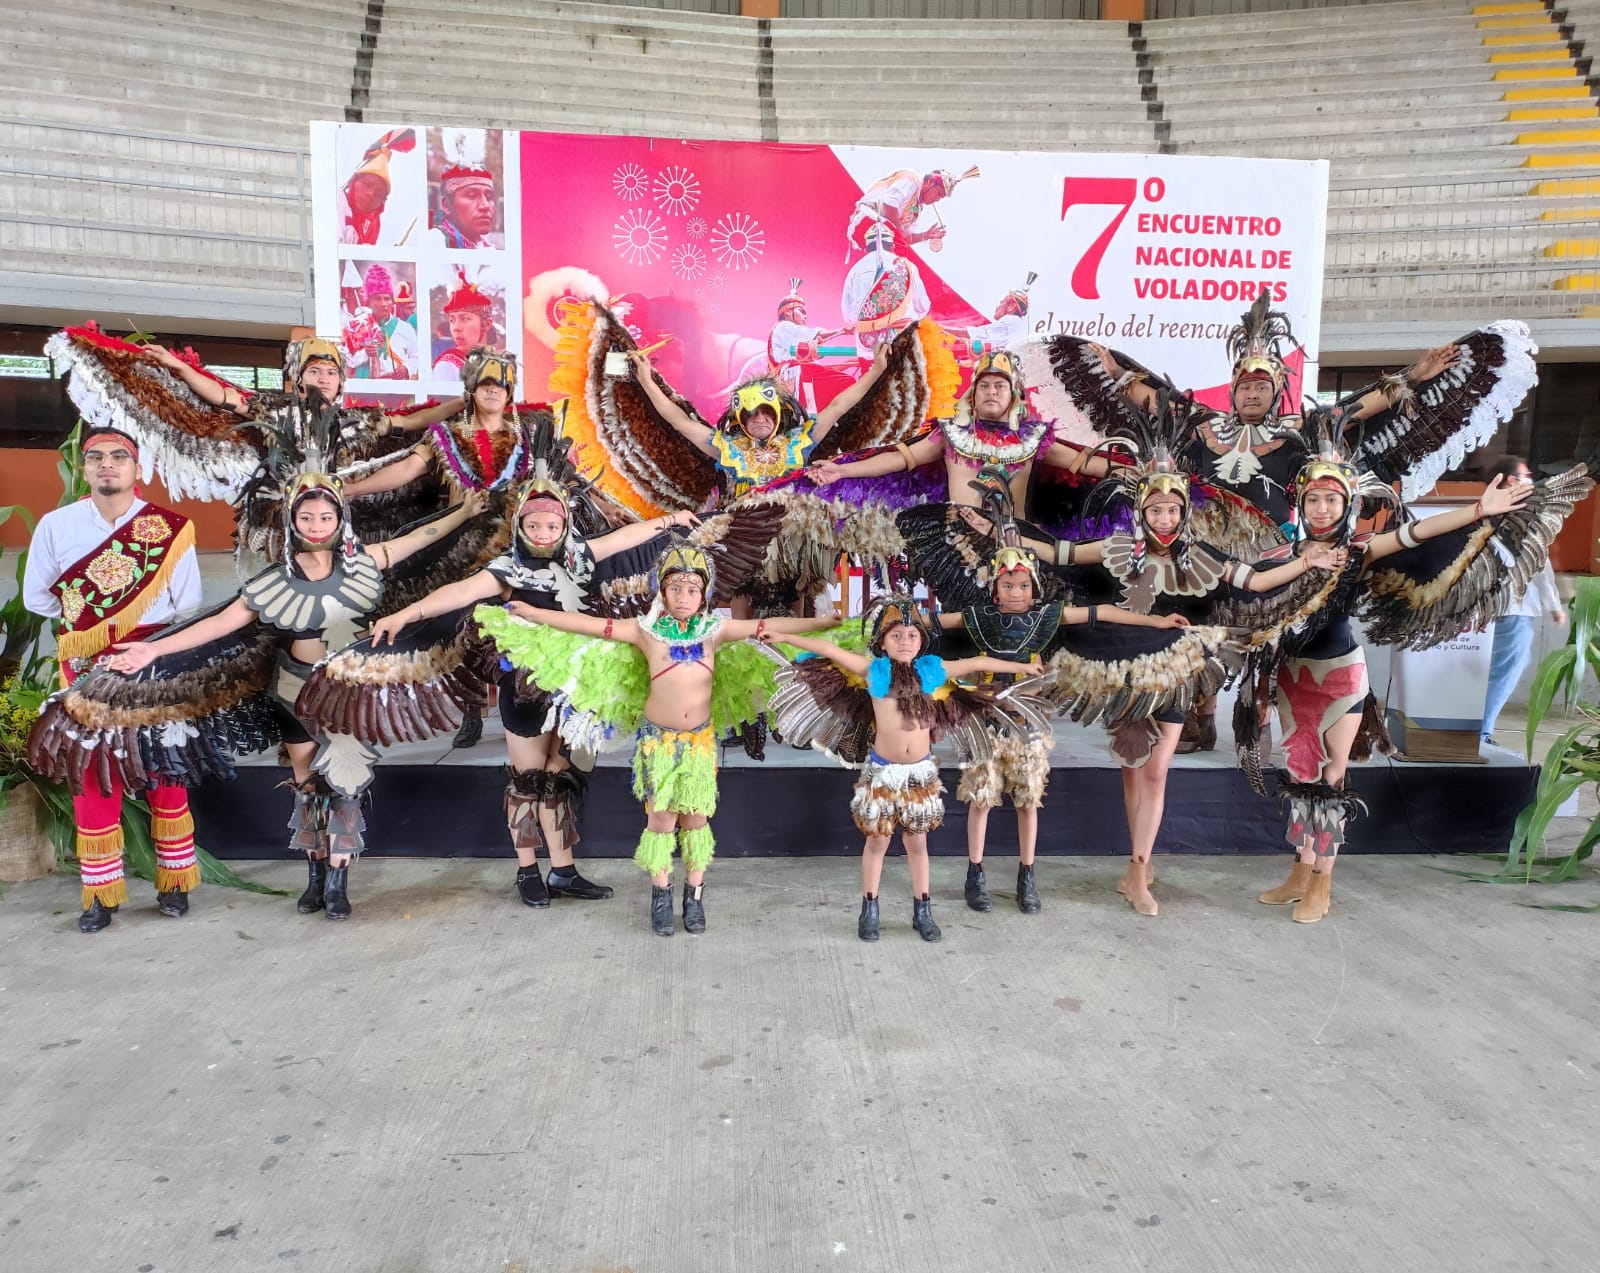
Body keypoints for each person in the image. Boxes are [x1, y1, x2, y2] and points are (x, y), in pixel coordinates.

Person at [97, 429, 485, 922]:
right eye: (307, 516)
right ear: (293, 520)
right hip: (293, 691)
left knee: (345, 781)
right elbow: (217, 624)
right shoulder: (272, 580)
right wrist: (149, 653)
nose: (318, 524)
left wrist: (464, 514)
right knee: (307, 785)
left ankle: (340, 881)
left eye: (326, 516)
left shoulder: (368, 560)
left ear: (339, 519)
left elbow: (420, 537)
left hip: (350, 692)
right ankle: (316, 876)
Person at [1241, 421, 1589, 922]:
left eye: (1332, 500)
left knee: (1331, 779)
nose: (1322, 509)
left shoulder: (1358, 552)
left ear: (1347, 506)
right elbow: (1246, 590)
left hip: (1340, 679)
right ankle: (1299, 870)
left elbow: (1415, 533)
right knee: (1299, 777)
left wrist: (1477, 511)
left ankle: (1323, 882)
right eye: (1314, 499)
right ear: (1301, 502)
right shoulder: (1281, 555)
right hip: (1293, 681)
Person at [475, 544, 840, 936]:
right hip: (658, 745)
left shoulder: (716, 631)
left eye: (693, 589)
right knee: (662, 821)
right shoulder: (644, 631)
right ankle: (661, 896)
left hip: (699, 744)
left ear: (705, 595)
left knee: (697, 822)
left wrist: (821, 624)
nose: (684, 597)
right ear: (661, 592)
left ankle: (694, 898)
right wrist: (532, 614)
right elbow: (586, 625)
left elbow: (771, 627)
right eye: (676, 588)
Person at [366, 480, 699, 908]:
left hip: (576, 688)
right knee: (528, 783)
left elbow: (624, 537)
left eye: (552, 526)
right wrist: (406, 613)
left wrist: (673, 520)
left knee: (559, 781)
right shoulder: (506, 570)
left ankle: (563, 871)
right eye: (534, 525)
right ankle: (527, 870)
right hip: (525, 689)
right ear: (520, 526)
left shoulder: (581, 557)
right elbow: (459, 594)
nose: (543, 534)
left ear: (565, 526)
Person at [936, 541, 1191, 915]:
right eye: (1007, 586)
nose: (1016, 593)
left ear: (1034, 588)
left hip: (1029, 727)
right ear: (995, 589)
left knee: (1028, 802)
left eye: (1023, 586)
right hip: (985, 725)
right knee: (981, 800)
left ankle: (1027, 875)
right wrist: (895, 619)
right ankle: (975, 874)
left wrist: (1157, 621)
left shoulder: (1047, 618)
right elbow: (930, 623)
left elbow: (1103, 611)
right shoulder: (977, 618)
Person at [772, 597, 1046, 943]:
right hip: (882, 774)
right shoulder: (873, 671)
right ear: (882, 641)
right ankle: (869, 908)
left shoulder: (933, 672)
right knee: (878, 841)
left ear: (922, 641)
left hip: (920, 776)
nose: (905, 642)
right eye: (896, 635)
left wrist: (1023, 669)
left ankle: (923, 910)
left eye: (912, 635)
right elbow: (824, 648)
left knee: (917, 844)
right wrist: (784, 635)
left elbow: (976, 661)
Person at [21, 427, 203, 932]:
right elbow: (38, 596)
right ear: (84, 468)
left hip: (154, 660)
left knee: (163, 769)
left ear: (138, 467)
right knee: (92, 773)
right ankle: (100, 893)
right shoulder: (57, 526)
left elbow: (186, 607)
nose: (107, 465)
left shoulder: (170, 528)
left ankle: (174, 882)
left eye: (119, 456)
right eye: (96, 457)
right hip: (85, 667)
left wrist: (144, 643)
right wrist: (89, 621)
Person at [1480, 455, 1566, 745]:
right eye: (1527, 475)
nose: (1532, 480)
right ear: (1512, 480)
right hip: (1515, 607)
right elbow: (1540, 564)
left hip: (1482, 606)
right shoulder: (1527, 515)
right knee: (1505, 672)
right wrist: (1554, 605)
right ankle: (1482, 731)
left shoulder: (1482, 511)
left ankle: (1472, 727)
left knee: (1489, 668)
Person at [338, 128, 414, 246]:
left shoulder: (373, 225)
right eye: (367, 184)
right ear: (354, 183)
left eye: (379, 193)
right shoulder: (337, 199)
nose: (371, 193)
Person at [346, 265, 418, 380]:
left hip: (397, 391)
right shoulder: (359, 326)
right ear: (369, 302)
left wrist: (406, 368)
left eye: (387, 299)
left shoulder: (405, 328)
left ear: (392, 302)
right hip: (366, 390)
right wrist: (365, 353)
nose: (383, 304)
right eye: (378, 299)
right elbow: (349, 360)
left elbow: (416, 357)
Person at [432, 273, 497, 381]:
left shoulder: (498, 363)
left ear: (486, 324)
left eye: (465, 319)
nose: (456, 328)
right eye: (452, 320)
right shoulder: (448, 366)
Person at [431, 154, 501, 250]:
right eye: (471, 196)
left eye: (489, 197)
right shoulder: (436, 242)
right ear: (446, 205)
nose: (485, 206)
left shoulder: (485, 245)